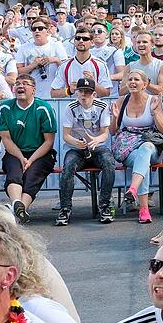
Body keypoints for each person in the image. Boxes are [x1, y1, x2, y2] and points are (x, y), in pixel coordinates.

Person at [110, 69, 163, 224]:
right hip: (127, 148)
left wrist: (155, 113)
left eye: (136, 79)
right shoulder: (121, 100)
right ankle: (143, 208)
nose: (132, 82)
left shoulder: (153, 100)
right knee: (142, 160)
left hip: (151, 145)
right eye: (130, 79)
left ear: (145, 84)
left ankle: (133, 189)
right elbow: (112, 131)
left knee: (146, 148)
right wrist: (115, 118)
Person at [0, 74, 57, 224]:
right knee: (14, 172)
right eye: (17, 83)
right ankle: (18, 205)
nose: (20, 86)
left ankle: (17, 211)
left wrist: (30, 160)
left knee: (32, 176)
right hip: (15, 151)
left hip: (40, 153)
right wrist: (21, 157)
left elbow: (48, 142)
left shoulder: (43, 108)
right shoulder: (5, 108)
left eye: (25, 83)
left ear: (33, 90)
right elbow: (6, 139)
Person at [57, 77, 116, 226]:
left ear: (94, 94)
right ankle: (65, 208)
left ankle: (105, 205)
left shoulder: (102, 106)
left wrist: (97, 140)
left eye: (88, 92)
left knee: (109, 163)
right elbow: (66, 135)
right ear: (76, 92)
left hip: (97, 147)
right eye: (81, 91)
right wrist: (76, 142)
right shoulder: (70, 107)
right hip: (76, 148)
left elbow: (105, 134)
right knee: (68, 166)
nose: (84, 95)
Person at [14, 17, 68, 99]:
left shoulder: (56, 46)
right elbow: (18, 72)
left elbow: (66, 70)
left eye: (40, 28)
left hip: (52, 93)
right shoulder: (23, 48)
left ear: (47, 30)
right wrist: (33, 65)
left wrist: (55, 60)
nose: (37, 31)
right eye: (34, 29)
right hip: (32, 95)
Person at [51, 27, 112, 97]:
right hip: (71, 103)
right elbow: (53, 93)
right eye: (78, 38)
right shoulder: (65, 65)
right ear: (74, 41)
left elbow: (106, 93)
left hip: (93, 103)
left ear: (92, 42)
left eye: (85, 39)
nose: (81, 41)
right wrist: (69, 91)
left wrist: (93, 83)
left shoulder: (100, 65)